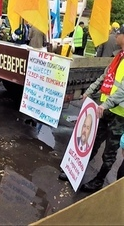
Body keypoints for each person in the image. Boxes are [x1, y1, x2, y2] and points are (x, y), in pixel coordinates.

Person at [59, 26, 124, 192]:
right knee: (92, 143)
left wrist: (105, 105)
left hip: (119, 115)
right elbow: (104, 77)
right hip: (105, 110)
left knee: (109, 152)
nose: (116, 36)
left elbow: (122, 90)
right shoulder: (119, 57)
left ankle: (98, 182)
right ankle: (76, 172)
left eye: (119, 33)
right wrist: (88, 92)